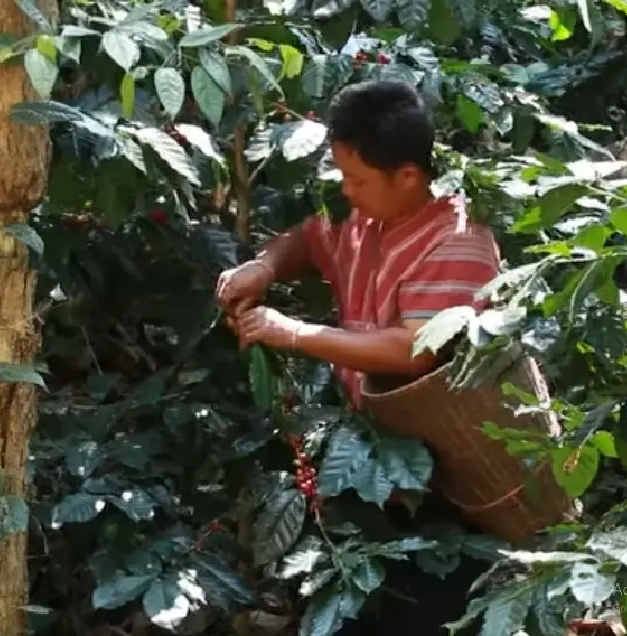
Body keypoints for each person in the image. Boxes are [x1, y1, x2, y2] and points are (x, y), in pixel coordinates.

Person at [214, 79, 502, 634]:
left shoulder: (460, 240)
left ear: (409, 176)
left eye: (357, 178)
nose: (345, 189)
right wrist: (265, 267)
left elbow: (414, 348)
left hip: (445, 482)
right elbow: (307, 237)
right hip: (369, 457)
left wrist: (292, 332)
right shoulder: (365, 213)